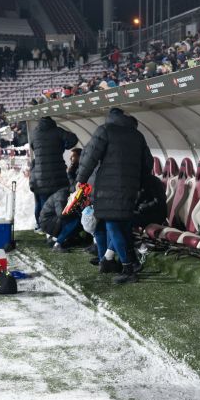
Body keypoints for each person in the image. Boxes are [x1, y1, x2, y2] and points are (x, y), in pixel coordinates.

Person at [75, 108, 154, 285]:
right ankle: (128, 263)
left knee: (113, 227)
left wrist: (81, 179)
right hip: (130, 188)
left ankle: (128, 268)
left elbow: (90, 156)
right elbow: (148, 163)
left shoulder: (105, 130)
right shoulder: (137, 135)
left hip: (107, 189)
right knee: (123, 225)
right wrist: (138, 183)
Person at [29, 116, 80, 222]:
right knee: (59, 202)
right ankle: (59, 226)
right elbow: (73, 139)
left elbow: (33, 146)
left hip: (40, 176)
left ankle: (44, 226)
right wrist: (63, 146)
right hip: (58, 175)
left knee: (44, 205)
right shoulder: (57, 131)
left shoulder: (34, 133)